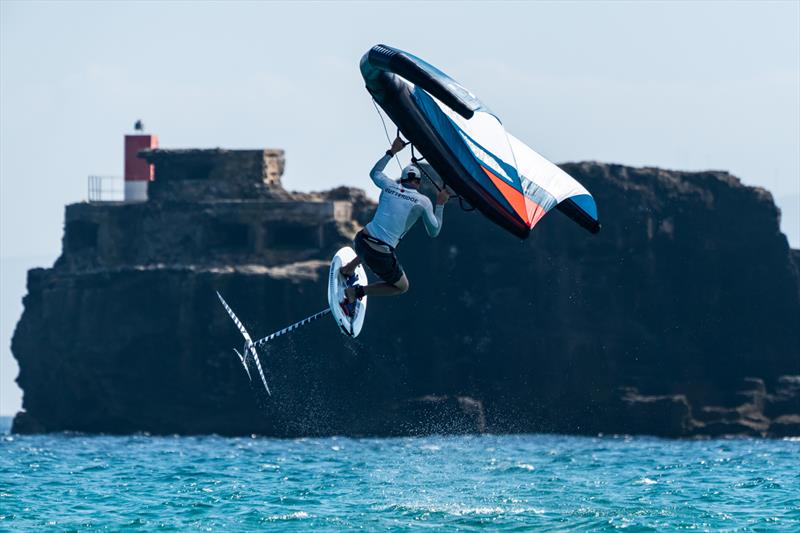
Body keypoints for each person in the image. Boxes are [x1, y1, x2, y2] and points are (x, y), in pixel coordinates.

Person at [339, 135, 449, 314]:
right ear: (419, 183)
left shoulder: (389, 185)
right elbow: (434, 231)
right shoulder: (423, 201)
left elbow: (374, 173)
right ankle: (355, 292)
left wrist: (392, 151)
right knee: (402, 286)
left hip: (360, 240)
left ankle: (348, 269)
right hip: (379, 253)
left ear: (402, 180)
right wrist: (440, 204)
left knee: (374, 242)